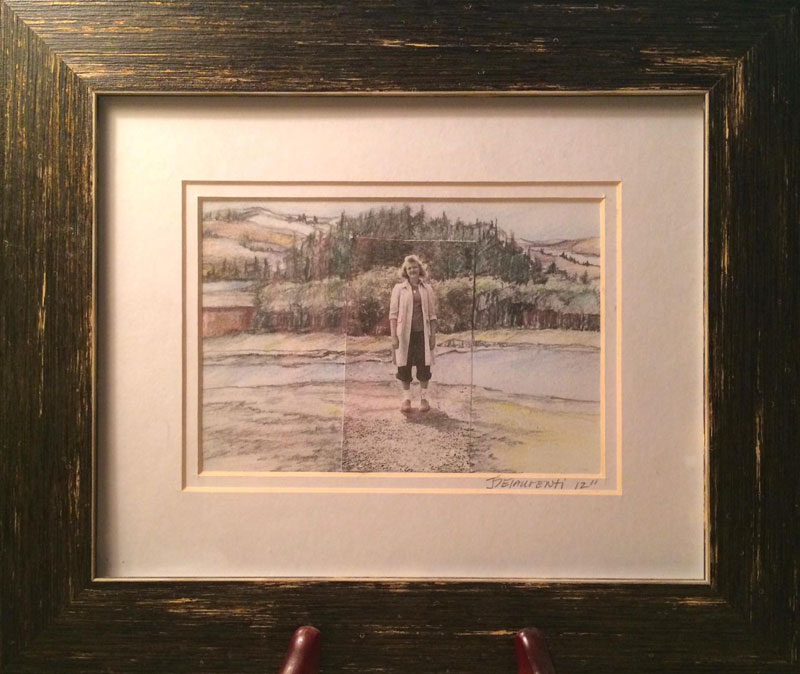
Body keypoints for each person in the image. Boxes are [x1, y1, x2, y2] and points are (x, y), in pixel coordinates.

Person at [389, 255, 437, 413]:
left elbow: (432, 315)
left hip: (422, 333)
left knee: (424, 366)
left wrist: (432, 336)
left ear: (419, 269)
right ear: (406, 271)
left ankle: (424, 399)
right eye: (409, 268)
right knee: (404, 365)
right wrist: (394, 336)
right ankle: (407, 399)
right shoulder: (399, 289)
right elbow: (393, 315)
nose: (412, 270)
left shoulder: (427, 288)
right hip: (404, 335)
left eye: (415, 267)